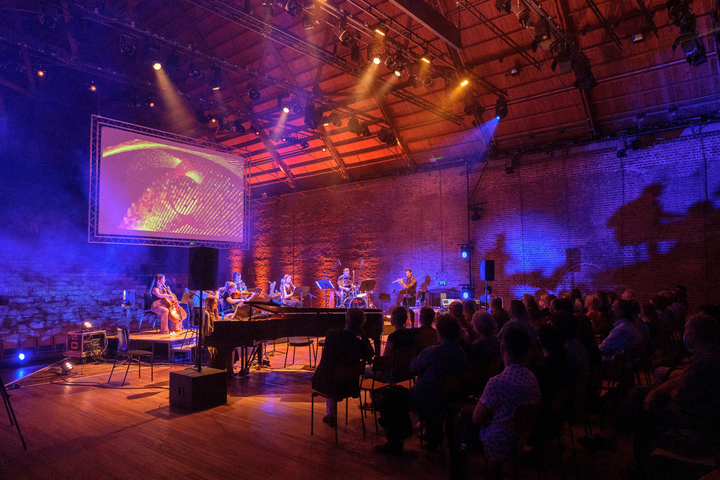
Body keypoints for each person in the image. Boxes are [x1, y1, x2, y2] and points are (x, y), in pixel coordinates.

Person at [376, 315, 467, 455]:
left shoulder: (433, 352)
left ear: (439, 332)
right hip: (448, 398)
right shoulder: (461, 352)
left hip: (426, 399)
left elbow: (412, 367)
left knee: (388, 397)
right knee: (397, 393)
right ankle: (430, 434)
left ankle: (396, 441)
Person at [472, 325, 541, 463]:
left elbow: (476, 418)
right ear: (527, 352)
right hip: (520, 442)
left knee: (464, 417)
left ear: (502, 348)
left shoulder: (496, 382)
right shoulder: (532, 378)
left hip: (497, 444)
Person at [311, 308, 375, 428]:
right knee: (336, 371)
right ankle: (330, 414)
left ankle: (331, 415)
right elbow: (371, 353)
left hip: (329, 385)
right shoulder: (358, 344)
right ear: (362, 323)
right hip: (350, 386)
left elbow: (327, 361)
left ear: (346, 319)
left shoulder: (331, 334)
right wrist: (364, 335)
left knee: (331, 371)